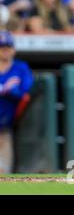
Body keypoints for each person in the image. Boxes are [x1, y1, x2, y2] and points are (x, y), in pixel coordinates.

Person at [0, 31, 33, 174]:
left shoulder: (20, 67)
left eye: (8, 47)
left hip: (8, 125)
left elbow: (25, 92)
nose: (5, 50)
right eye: (2, 47)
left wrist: (9, 90)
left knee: (3, 172)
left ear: (13, 49)